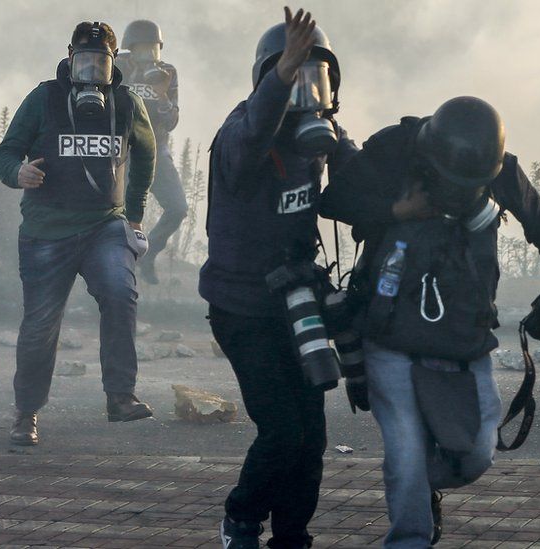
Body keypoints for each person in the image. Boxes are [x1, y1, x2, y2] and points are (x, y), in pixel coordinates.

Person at [321, 97, 540, 548]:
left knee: (475, 457)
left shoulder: (501, 169)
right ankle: (410, 535)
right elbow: (335, 200)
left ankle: (422, 487)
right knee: (405, 454)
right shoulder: (395, 148)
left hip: (464, 337)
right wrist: (396, 212)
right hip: (389, 334)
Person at [199, 7, 358, 549]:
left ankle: (292, 536)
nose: (307, 90)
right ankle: (241, 518)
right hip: (243, 310)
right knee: (282, 433)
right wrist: (283, 74)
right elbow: (250, 138)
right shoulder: (241, 136)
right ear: (270, 77)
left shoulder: (316, 142)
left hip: (296, 304)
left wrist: (347, 155)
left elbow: (357, 196)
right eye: (296, 76)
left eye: (319, 77)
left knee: (311, 438)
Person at [0, 21, 157, 447]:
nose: (90, 70)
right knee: (41, 323)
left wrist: (134, 213)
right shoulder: (43, 98)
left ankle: (120, 396)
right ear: (69, 58)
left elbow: (146, 152)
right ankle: (25, 413)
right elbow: (6, 151)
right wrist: (18, 172)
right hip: (47, 230)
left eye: (99, 62)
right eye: (83, 60)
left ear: (113, 63)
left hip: (105, 224)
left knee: (121, 295)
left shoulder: (125, 104)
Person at [117, 19, 186, 284]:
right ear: (130, 49)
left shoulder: (167, 72)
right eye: (141, 49)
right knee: (119, 212)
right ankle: (117, 266)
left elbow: (172, 121)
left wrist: (162, 95)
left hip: (157, 149)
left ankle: (149, 252)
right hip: (123, 151)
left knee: (178, 207)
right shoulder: (118, 65)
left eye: (153, 50)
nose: (148, 56)